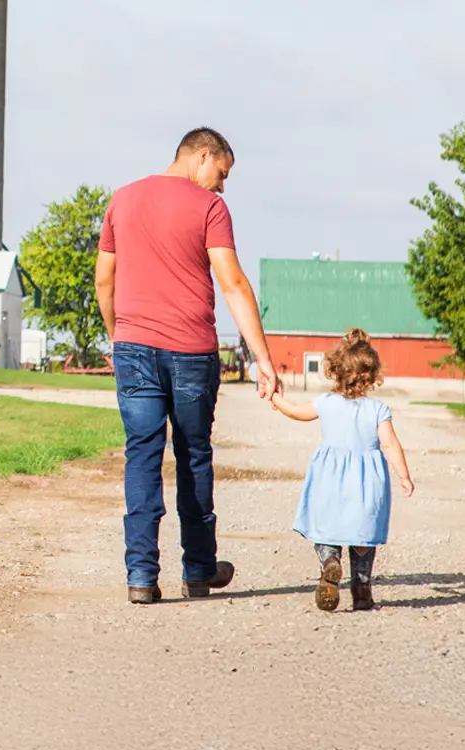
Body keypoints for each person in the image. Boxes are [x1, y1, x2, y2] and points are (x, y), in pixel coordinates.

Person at [95, 127, 281, 605]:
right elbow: (233, 283)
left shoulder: (123, 199)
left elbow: (104, 280)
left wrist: (120, 339)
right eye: (221, 174)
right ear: (203, 156)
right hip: (191, 353)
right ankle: (198, 571)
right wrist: (263, 359)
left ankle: (141, 575)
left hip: (133, 348)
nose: (221, 187)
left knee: (142, 455)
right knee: (193, 455)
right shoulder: (210, 209)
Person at [270, 329, 414, 611]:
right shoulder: (377, 409)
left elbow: (296, 412)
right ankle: (361, 592)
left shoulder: (326, 403)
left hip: (330, 482)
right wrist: (404, 475)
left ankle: (330, 562)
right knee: (362, 538)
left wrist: (275, 398)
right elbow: (391, 445)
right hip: (365, 486)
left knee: (327, 531)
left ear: (336, 371)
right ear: (372, 376)